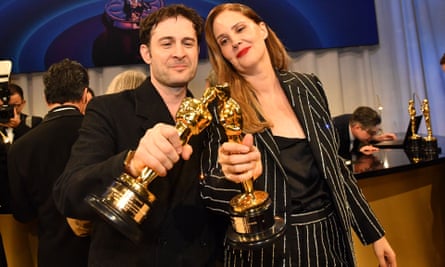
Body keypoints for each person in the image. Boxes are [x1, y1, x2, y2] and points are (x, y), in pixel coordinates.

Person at [200, 3, 397, 267]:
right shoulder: (221, 106)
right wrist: (229, 175)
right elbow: (208, 190)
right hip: (267, 252)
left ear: (262, 29)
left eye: (240, 29)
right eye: (224, 40)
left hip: (327, 240)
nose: (235, 41)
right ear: (222, 53)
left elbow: (335, 168)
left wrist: (375, 234)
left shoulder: (308, 86)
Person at [53, 4, 224, 267]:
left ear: (197, 50)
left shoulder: (212, 120)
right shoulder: (109, 110)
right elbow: (68, 194)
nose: (179, 53)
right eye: (166, 43)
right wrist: (130, 163)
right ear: (146, 53)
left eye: (187, 43)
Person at [7, 58, 91, 267]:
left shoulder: (21, 146)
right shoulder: (100, 135)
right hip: (99, 252)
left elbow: (23, 214)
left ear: (45, 97)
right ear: (85, 95)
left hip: (53, 254)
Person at [0, 82, 43, 267]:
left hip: (29, 204)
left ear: (23, 103)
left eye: (16, 105)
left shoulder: (34, 124)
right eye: (7, 107)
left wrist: (18, 128)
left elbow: (33, 154)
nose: (12, 111)